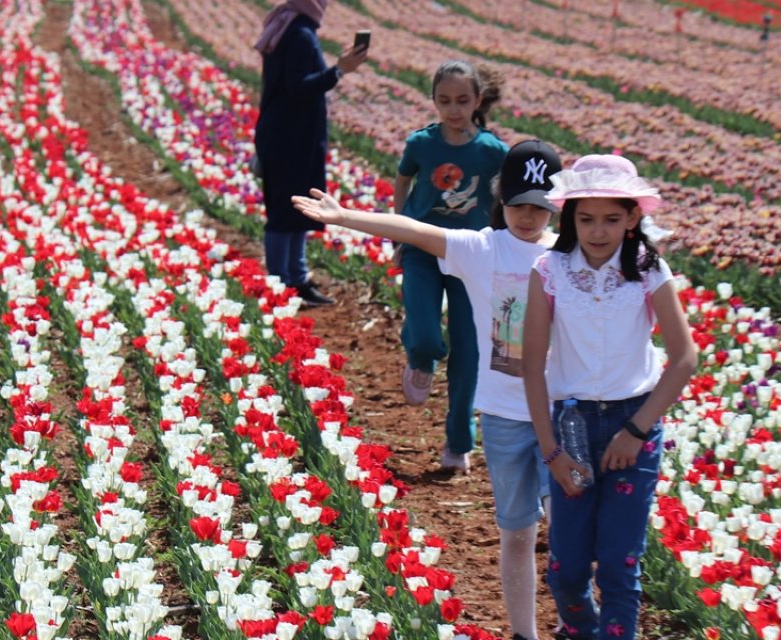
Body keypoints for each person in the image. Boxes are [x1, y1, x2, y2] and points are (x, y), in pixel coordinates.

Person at [293, 139, 563, 640]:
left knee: (565, 530)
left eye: (539, 207)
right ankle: (524, 633)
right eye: (519, 204)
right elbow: (415, 230)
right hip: (503, 415)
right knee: (517, 532)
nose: (528, 217)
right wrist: (345, 217)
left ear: (556, 206)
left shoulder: (566, 255)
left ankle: (571, 625)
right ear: (501, 198)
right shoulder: (484, 249)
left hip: (561, 414)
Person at [521, 154, 697, 640]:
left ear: (633, 217)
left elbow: (685, 357)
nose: (598, 231)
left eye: (612, 219)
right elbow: (532, 365)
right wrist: (551, 451)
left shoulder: (649, 269)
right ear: (570, 218)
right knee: (567, 570)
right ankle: (581, 629)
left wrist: (636, 431)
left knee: (620, 566)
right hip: (572, 428)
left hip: (632, 425)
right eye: (586, 219)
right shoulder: (550, 270)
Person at [393, 59, 507, 473]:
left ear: (478, 100)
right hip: (423, 248)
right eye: (444, 101)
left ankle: (458, 443)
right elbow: (403, 180)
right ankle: (421, 360)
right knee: (425, 335)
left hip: (472, 255)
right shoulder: (421, 143)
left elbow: (507, 198)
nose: (453, 109)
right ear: (434, 101)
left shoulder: (493, 151)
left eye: (462, 100)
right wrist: (400, 231)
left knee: (469, 351)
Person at [253, 0, 367, 307]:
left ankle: (296, 279)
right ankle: (282, 284)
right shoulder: (299, 33)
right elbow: (299, 88)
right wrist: (339, 70)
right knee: (285, 211)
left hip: (287, 134)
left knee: (298, 208)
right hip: (290, 137)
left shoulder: (287, 24)